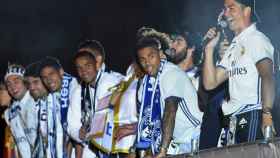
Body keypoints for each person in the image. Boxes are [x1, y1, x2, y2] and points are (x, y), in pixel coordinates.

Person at [203, 0, 275, 145]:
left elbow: (267, 76)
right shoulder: (234, 46)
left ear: (246, 11)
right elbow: (210, 83)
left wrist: (267, 115)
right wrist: (209, 49)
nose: (225, 13)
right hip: (233, 119)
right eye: (224, 9)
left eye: (231, 8)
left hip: (253, 113)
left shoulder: (256, 39)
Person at [134, 35, 202, 157]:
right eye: (143, 59)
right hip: (177, 142)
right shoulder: (144, 86)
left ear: (160, 54)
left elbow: (170, 110)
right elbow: (148, 121)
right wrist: (147, 152)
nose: (147, 63)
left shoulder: (170, 73)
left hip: (195, 135)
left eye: (151, 56)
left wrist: (163, 150)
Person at [68, 50, 123, 157]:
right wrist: (79, 134)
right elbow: (72, 125)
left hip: (117, 141)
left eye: (87, 66)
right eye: (79, 68)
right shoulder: (79, 91)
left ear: (97, 65)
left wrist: (88, 132)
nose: (83, 71)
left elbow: (105, 121)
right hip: (95, 143)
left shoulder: (108, 82)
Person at [40, 57, 79, 158]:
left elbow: (76, 130)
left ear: (61, 72)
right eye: (44, 77)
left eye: (51, 74)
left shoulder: (75, 88)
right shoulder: (49, 94)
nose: (48, 80)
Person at [3, 64, 38, 158]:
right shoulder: (9, 113)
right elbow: (19, 144)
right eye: (8, 84)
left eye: (16, 81)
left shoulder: (37, 101)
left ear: (25, 82)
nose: (12, 87)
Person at [24, 61, 49, 157]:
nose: (31, 87)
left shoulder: (61, 102)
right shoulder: (39, 104)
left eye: (35, 82)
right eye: (28, 83)